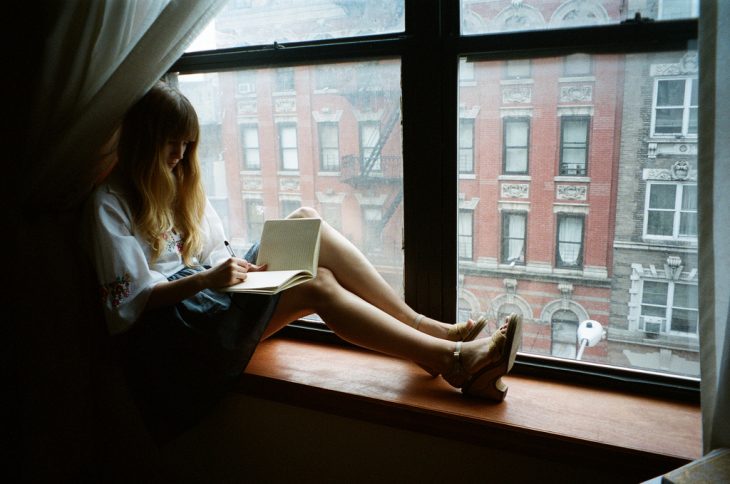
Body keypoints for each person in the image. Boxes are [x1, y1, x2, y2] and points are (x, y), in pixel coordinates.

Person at [86, 81, 522, 441]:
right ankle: (454, 361)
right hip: (177, 334)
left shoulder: (180, 186)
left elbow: (215, 254)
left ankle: (426, 330)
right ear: (144, 140)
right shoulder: (110, 203)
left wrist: (239, 272)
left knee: (307, 221)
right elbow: (130, 306)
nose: (181, 155)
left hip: (212, 298)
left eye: (187, 144)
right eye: (170, 142)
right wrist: (206, 282)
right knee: (317, 285)